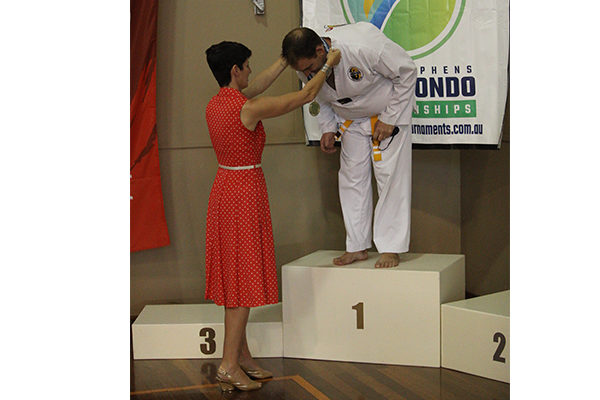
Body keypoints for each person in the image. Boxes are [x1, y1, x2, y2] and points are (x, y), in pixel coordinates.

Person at [204, 41, 341, 392]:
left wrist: (284, 59)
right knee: (241, 282)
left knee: (234, 277)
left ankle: (241, 356)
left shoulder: (218, 103)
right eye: (247, 66)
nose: (251, 71)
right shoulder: (247, 109)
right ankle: (228, 366)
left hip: (225, 190)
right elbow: (305, 96)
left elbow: (258, 86)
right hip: (243, 193)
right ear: (235, 70)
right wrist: (329, 64)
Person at [281, 22, 417, 269]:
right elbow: (317, 94)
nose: (307, 74)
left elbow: (406, 72)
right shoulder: (305, 64)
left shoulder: (363, 45)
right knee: (351, 180)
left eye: (310, 68)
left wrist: (390, 118)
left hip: (385, 113)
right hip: (350, 120)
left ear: (320, 50)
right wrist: (327, 127)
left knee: (390, 178)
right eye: (303, 71)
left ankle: (390, 248)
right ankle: (356, 246)